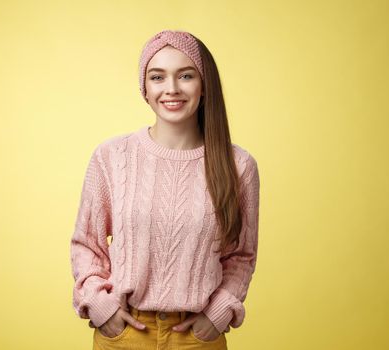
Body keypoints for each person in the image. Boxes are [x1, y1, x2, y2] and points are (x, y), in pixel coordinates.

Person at [70, 29, 260, 350]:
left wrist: (216, 315)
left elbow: (241, 255)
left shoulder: (238, 164)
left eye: (185, 75)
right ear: (146, 87)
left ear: (204, 85)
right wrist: (101, 306)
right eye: (158, 77)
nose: (171, 89)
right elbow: (87, 244)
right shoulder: (112, 156)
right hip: (125, 334)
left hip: (196, 337)